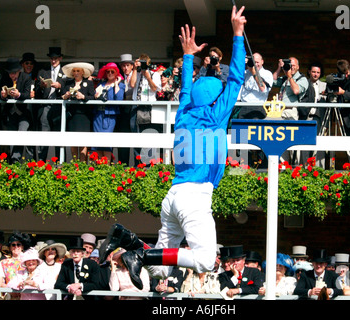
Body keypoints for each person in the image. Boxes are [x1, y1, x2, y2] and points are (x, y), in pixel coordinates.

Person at [98, 6, 247, 292]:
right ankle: (137, 251)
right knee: (204, 260)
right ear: (216, 98)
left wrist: (189, 56)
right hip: (194, 196)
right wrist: (237, 34)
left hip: (174, 195)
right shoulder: (215, 115)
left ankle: (127, 239)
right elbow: (238, 78)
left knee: (156, 269)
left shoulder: (184, 111)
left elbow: (187, 88)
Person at [34, 47, 66, 161]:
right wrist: (42, 87)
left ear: (60, 58)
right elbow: (37, 92)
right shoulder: (43, 71)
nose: (53, 61)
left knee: (59, 136)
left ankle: (60, 165)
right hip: (46, 105)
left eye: (56, 59)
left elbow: (68, 89)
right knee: (44, 135)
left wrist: (60, 86)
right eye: (52, 58)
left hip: (59, 106)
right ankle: (41, 164)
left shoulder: (66, 72)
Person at [130, 53, 162, 162]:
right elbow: (132, 85)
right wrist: (135, 69)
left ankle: (148, 163)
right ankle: (137, 162)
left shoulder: (154, 74)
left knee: (149, 134)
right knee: (135, 136)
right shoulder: (135, 73)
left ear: (148, 64)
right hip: (136, 106)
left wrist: (148, 76)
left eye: (144, 63)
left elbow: (154, 89)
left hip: (149, 107)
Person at [0, 57, 33, 163]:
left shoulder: (26, 78)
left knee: (21, 133)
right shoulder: (5, 78)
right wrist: (4, 96)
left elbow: (28, 94)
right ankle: (13, 160)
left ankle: (15, 158)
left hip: (23, 113)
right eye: (10, 73)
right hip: (10, 113)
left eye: (14, 73)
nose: (12, 75)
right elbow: (0, 93)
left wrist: (19, 95)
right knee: (11, 137)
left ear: (19, 71)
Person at [61, 62, 95, 162]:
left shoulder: (88, 83)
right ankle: (75, 164)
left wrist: (83, 97)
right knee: (73, 141)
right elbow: (61, 95)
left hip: (84, 116)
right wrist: (66, 95)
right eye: (74, 71)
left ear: (82, 72)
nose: (76, 73)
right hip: (72, 116)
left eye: (78, 71)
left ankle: (83, 164)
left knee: (84, 141)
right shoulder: (68, 83)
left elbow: (92, 97)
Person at [93, 62, 125, 162]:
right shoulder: (101, 84)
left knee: (106, 143)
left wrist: (116, 84)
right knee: (97, 144)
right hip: (98, 115)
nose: (110, 73)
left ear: (116, 74)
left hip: (109, 116)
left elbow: (119, 99)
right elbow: (94, 97)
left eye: (112, 72)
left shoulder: (121, 85)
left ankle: (106, 168)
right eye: (108, 72)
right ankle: (99, 169)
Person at [116, 53, 135, 165]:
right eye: (123, 66)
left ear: (132, 66)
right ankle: (123, 166)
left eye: (128, 65)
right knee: (123, 140)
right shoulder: (120, 79)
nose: (126, 68)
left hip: (135, 111)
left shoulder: (136, 75)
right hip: (123, 112)